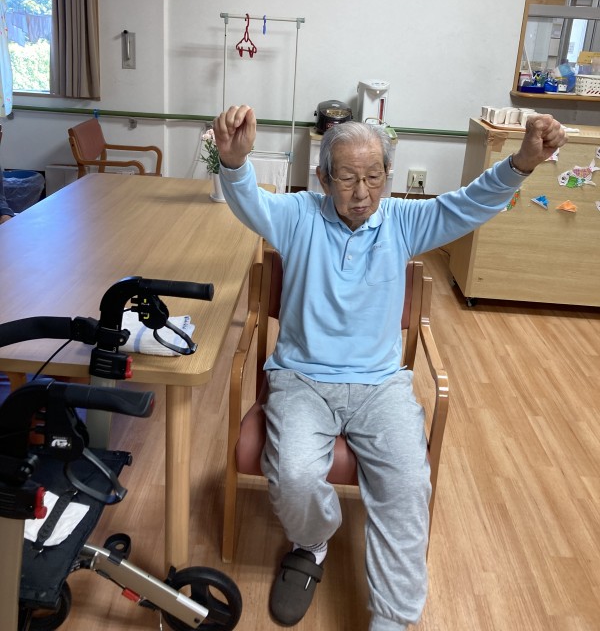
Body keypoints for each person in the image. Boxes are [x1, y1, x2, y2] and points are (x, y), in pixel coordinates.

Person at [213, 106, 566, 631]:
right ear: (323, 179)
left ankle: (394, 619)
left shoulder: (402, 220)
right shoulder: (299, 215)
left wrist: (521, 164)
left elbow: (468, 204)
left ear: (387, 176)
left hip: (380, 385)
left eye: (374, 177)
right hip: (302, 379)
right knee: (293, 476)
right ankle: (312, 543)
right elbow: (250, 202)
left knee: (406, 483)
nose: (362, 193)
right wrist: (234, 163)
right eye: (347, 178)